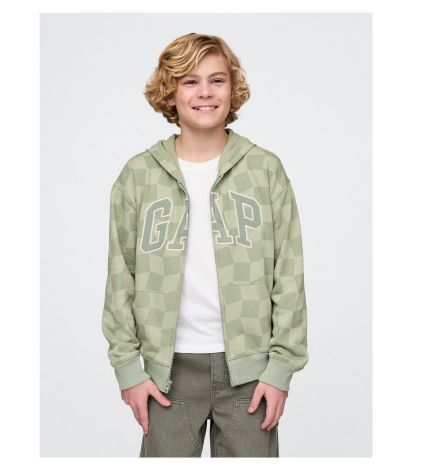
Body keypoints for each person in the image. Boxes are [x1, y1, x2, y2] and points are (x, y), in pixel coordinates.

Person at [102, 32, 309, 458]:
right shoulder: (139, 175)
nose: (205, 93)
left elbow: (289, 273)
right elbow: (120, 275)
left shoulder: (264, 170)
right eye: (190, 81)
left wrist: (281, 368)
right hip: (166, 375)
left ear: (233, 89)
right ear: (170, 92)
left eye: (217, 80)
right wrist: (128, 369)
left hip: (250, 374)